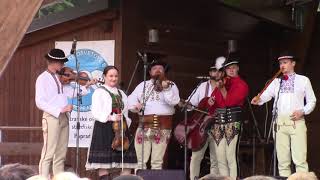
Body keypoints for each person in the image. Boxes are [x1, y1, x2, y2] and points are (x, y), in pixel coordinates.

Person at [251, 51, 316, 177]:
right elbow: (265, 96)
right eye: (281, 63)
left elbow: (312, 100)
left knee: (300, 159)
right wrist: (259, 99)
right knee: (282, 161)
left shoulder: (303, 80)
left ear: (293, 63)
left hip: (296, 122)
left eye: (285, 62)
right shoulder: (276, 82)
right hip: (280, 123)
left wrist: (302, 111)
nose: (282, 65)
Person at [35, 48, 96, 178]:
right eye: (61, 63)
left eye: (63, 63)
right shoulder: (42, 78)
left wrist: (87, 85)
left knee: (61, 154)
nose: (63, 65)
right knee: (48, 153)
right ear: (52, 62)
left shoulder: (60, 78)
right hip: (51, 117)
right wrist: (59, 109)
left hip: (64, 117)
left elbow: (70, 93)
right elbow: (39, 102)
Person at [86, 66, 137, 180]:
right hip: (104, 127)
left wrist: (135, 107)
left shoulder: (121, 93)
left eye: (116, 76)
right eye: (111, 76)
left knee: (126, 161)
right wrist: (109, 117)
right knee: (104, 162)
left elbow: (126, 109)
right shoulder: (99, 92)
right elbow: (95, 111)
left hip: (121, 128)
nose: (114, 78)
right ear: (104, 77)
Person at [128, 60, 180, 169]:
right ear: (150, 72)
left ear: (164, 72)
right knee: (140, 160)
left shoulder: (171, 84)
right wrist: (135, 106)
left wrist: (166, 88)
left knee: (157, 161)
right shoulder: (143, 85)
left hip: (163, 125)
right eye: (154, 69)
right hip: (144, 124)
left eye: (160, 69)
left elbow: (174, 101)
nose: (157, 70)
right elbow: (130, 100)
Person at [210, 53, 248, 179]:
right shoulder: (223, 83)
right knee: (220, 156)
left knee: (230, 156)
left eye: (233, 67)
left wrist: (221, 89)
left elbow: (230, 102)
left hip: (233, 121)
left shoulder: (242, 84)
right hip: (219, 122)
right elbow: (214, 102)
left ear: (238, 68)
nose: (231, 70)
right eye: (228, 68)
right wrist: (210, 101)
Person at [188, 57, 225, 180]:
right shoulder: (202, 86)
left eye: (220, 71)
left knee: (216, 159)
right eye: (214, 71)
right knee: (196, 157)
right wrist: (187, 105)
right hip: (202, 128)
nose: (217, 73)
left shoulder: (225, 87)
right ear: (210, 73)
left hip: (219, 126)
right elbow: (190, 104)